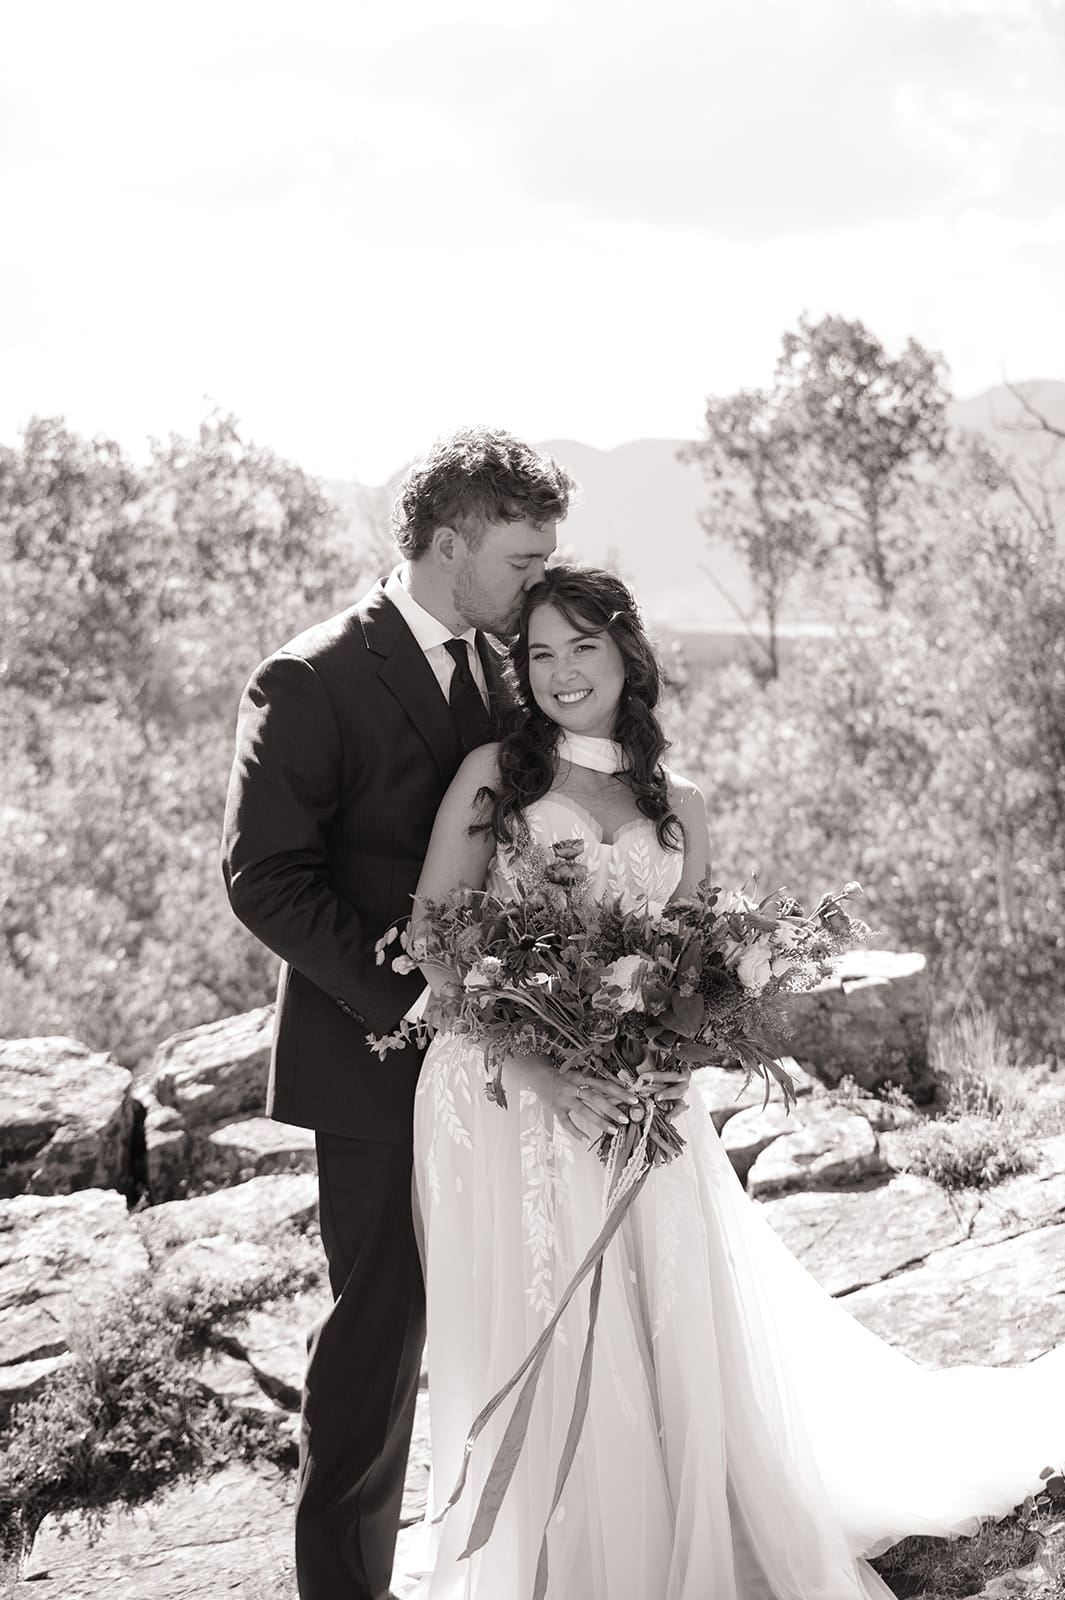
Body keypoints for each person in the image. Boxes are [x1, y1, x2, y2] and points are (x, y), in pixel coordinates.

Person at [408, 563, 1065, 1600]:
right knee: (551, 1309)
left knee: (665, 1308)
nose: (563, 672)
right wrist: (552, 1073)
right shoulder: (497, 776)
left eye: (584, 645)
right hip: (510, 1090)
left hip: (644, 1092)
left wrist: (673, 1048)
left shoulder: (682, 803)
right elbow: (432, 946)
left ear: (628, 651)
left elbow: (692, 970)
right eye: (539, 653)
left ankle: (674, 1528)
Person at [220, 426, 576, 1600]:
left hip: (502, 1058)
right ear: (446, 543)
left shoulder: (495, 663)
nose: (538, 583)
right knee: (377, 1339)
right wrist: (409, 996)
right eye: (522, 560)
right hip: (371, 1057)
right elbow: (262, 878)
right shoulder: (311, 674)